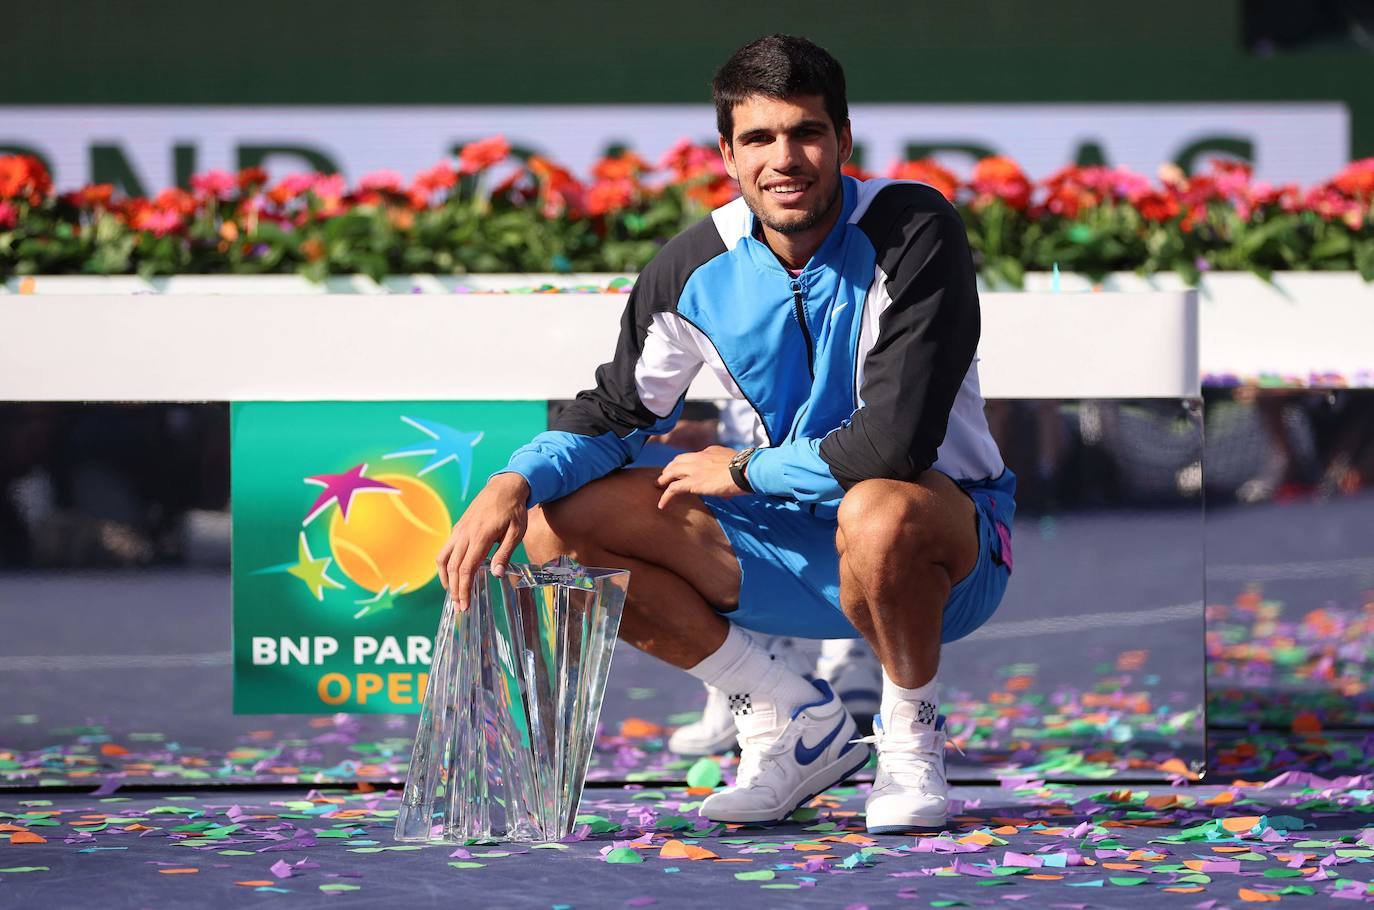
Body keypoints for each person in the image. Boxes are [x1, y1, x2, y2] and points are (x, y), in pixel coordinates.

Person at [437, 34, 1016, 833]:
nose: (787, 158)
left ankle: (911, 744)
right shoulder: (690, 267)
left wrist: (743, 470)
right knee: (554, 530)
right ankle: (783, 715)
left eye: (807, 133)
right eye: (760, 139)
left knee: (881, 506)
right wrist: (513, 483)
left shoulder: (913, 227)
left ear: (843, 141)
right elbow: (613, 414)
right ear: (728, 154)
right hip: (792, 548)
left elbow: (895, 445)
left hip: (945, 555)